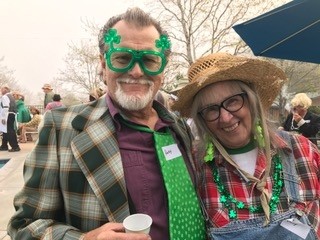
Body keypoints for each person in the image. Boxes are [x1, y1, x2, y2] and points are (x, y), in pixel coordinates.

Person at [7, 8, 206, 240]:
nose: (135, 71)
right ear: (103, 64)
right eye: (122, 58)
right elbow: (24, 225)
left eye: (150, 60)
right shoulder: (62, 128)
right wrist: (84, 239)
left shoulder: (179, 128)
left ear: (163, 68)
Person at [172, 53, 320, 239]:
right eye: (211, 109)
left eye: (233, 101)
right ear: (202, 120)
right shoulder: (195, 168)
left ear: (252, 101)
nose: (225, 117)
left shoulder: (302, 150)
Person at [0, 85, 20, 152]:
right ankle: (4, 146)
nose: (1, 90)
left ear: (6, 89)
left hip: (7, 115)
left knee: (9, 131)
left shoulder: (5, 96)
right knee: (6, 130)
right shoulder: (11, 96)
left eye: (2, 89)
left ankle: (15, 147)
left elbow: (5, 107)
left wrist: (3, 118)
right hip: (11, 114)